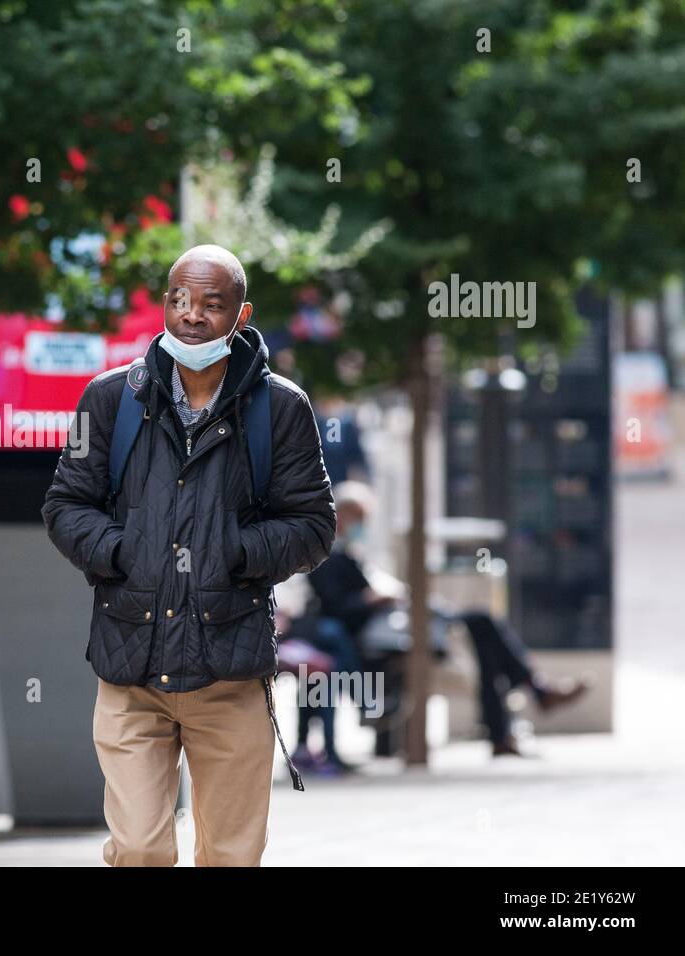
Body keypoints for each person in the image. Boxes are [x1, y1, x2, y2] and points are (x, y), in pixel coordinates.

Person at [42, 244, 335, 867]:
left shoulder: (280, 408)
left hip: (229, 668)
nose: (192, 315)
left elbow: (312, 526)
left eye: (211, 303)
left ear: (241, 313)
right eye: (179, 300)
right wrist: (122, 552)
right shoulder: (109, 399)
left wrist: (233, 552)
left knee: (231, 855)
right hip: (131, 667)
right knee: (141, 849)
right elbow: (65, 507)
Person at [308, 481, 588, 758]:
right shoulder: (326, 558)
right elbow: (337, 608)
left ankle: (515, 715)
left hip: (401, 623)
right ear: (341, 515)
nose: (361, 526)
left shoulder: (352, 555)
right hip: (383, 636)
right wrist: (373, 599)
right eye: (358, 518)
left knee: (484, 640)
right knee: (481, 627)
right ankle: (531, 694)